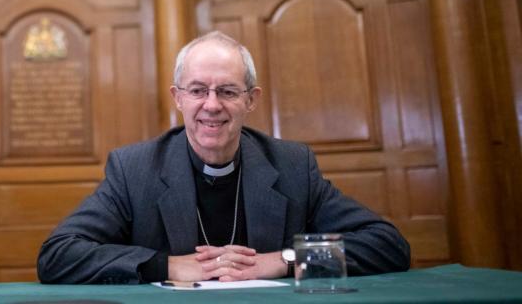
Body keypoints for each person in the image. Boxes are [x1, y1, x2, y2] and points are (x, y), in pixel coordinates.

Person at [37, 31, 410, 284]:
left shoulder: (292, 166)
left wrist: (284, 260)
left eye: (228, 91)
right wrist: (165, 266)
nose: (211, 105)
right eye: (198, 90)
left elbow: (387, 245)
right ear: (178, 97)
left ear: (251, 100)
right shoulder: (134, 170)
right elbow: (57, 256)